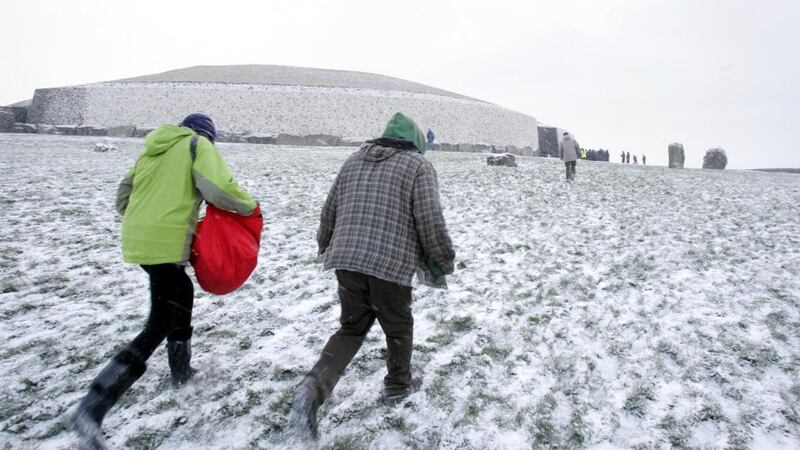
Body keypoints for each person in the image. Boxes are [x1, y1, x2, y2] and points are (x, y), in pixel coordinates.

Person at [66, 113, 257, 449]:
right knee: (160, 321)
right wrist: (249, 207)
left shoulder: (151, 150)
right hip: (165, 242)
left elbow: (123, 194)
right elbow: (219, 187)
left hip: (140, 238)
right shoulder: (198, 146)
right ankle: (92, 406)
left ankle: (182, 373)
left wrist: (146, 218)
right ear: (207, 134)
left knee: (181, 295)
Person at [290, 112, 455, 439]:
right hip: (390, 265)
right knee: (398, 325)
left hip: (347, 261)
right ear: (416, 143)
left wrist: (326, 245)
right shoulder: (418, 166)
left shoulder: (353, 160)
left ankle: (312, 388)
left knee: (351, 328)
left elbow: (329, 209)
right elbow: (430, 221)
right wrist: (444, 259)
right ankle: (397, 386)